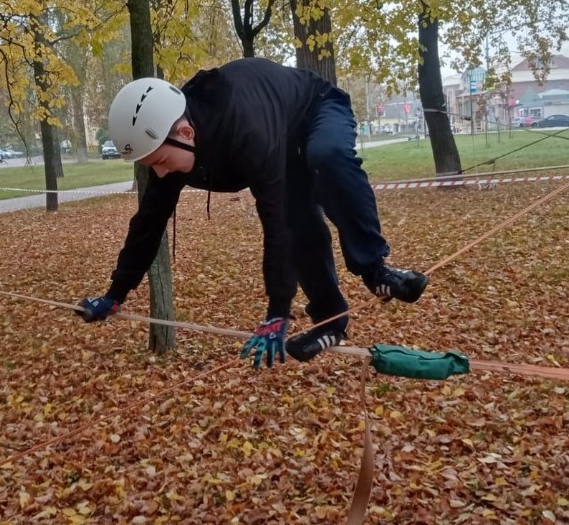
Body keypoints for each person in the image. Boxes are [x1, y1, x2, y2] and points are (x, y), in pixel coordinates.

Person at [77, 58, 428, 368]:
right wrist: (115, 295)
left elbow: (273, 223)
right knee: (299, 220)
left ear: (186, 132)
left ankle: (375, 268)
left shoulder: (245, 128)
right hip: (282, 144)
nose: (161, 174)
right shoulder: (173, 147)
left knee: (327, 157)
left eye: (162, 162)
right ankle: (331, 320)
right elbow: (148, 222)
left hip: (315, 110)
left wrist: (277, 312)